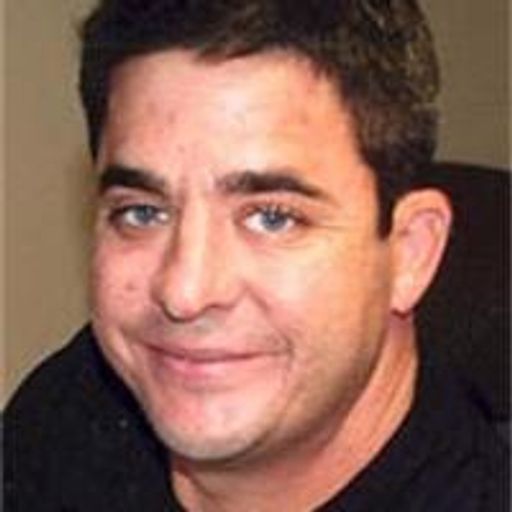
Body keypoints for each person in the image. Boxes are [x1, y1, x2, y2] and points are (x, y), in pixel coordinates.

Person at [4, 1, 508, 510]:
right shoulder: (70, 415)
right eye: (143, 212)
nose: (184, 293)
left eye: (272, 217)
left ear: (409, 253)